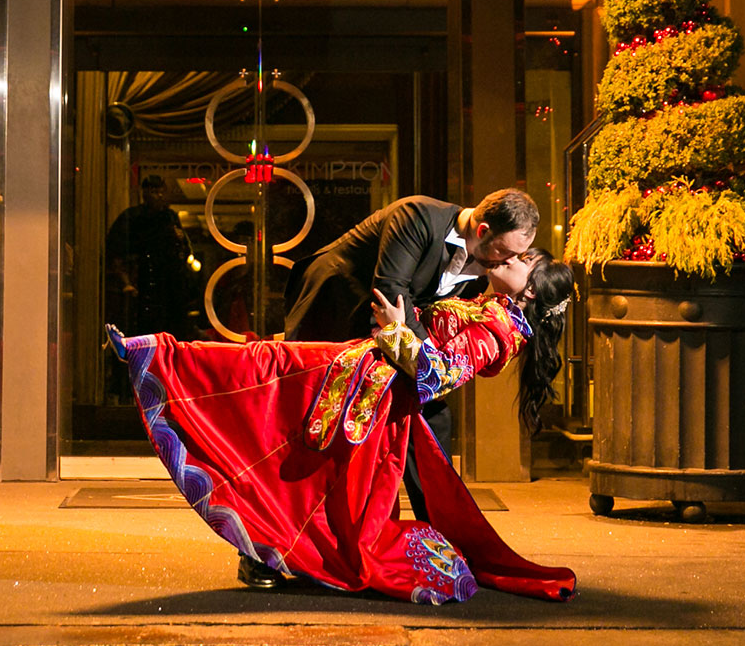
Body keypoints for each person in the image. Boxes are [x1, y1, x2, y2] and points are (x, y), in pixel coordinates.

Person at [107, 249, 577, 604]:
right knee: (266, 383)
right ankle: (158, 355)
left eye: (523, 259)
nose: (511, 256)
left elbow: (436, 375)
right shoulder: (487, 305)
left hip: (370, 395)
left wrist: (396, 326)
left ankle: (159, 355)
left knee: (265, 379)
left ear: (530, 290)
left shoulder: (499, 330)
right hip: (358, 378)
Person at [273, 188, 540, 585]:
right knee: (316, 440)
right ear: (482, 229)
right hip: (338, 312)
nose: (507, 263)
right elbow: (390, 291)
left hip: (394, 340)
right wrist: (429, 361)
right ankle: (269, 553)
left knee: (431, 422)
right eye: (503, 254)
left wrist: (431, 363)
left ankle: (443, 544)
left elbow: (423, 317)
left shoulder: (484, 268)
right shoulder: (416, 215)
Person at [104, 174, 197, 340]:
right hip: (142, 283)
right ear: (144, 193)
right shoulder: (133, 217)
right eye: (154, 191)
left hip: (168, 285)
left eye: (162, 191)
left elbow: (182, 247)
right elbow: (116, 251)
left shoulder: (170, 217)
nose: (159, 196)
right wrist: (126, 282)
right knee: (143, 332)